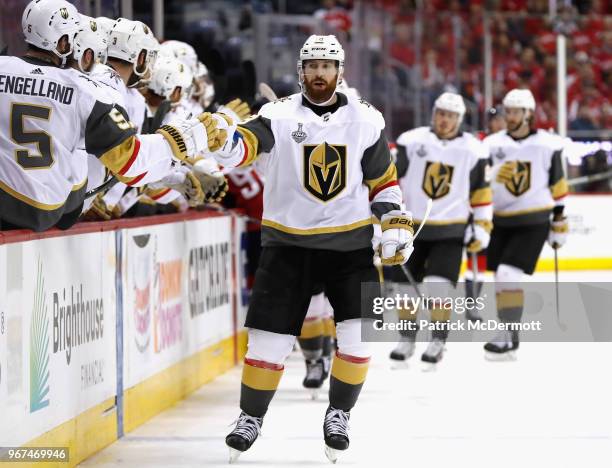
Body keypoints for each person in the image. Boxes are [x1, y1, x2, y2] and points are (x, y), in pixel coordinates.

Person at [202, 34, 413, 463]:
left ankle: (339, 413)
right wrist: (221, 137)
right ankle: (250, 418)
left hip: (350, 247)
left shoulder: (366, 119)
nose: (319, 73)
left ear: (339, 72)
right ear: (302, 70)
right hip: (287, 245)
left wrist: (392, 223)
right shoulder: (275, 115)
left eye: (327, 66)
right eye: (312, 66)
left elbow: (384, 181)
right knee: (267, 344)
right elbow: (243, 148)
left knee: (357, 340)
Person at [389, 92, 492, 365]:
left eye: (451, 115)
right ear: (433, 113)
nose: (445, 120)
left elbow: (482, 192)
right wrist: (388, 220)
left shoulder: (474, 149)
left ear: (459, 119)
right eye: (441, 114)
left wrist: (482, 226)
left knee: (439, 288)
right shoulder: (412, 142)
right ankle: (407, 337)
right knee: (405, 290)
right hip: (410, 227)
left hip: (451, 230)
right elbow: (392, 181)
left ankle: (438, 339)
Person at [483, 88, 569, 359]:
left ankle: (507, 333)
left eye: (515, 111)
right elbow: (479, 183)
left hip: (534, 219)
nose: (510, 116)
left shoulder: (548, 144)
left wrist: (559, 222)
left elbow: (558, 185)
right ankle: (510, 334)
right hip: (500, 220)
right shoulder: (492, 144)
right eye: (507, 111)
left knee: (508, 274)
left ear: (528, 114)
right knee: (500, 277)